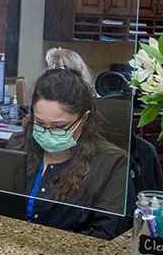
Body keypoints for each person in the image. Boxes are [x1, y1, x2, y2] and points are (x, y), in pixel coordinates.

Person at [18, 67, 133, 240]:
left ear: (84, 119)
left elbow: (106, 233)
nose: (48, 132)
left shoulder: (111, 164)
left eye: (59, 127)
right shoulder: (18, 148)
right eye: (40, 123)